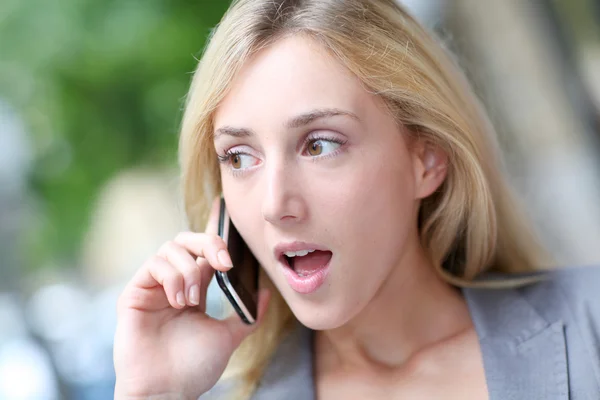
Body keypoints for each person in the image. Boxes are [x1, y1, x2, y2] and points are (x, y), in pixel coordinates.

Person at [112, 0, 600, 399]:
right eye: (239, 157)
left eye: (320, 144)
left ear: (426, 160)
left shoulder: (589, 329)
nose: (274, 203)